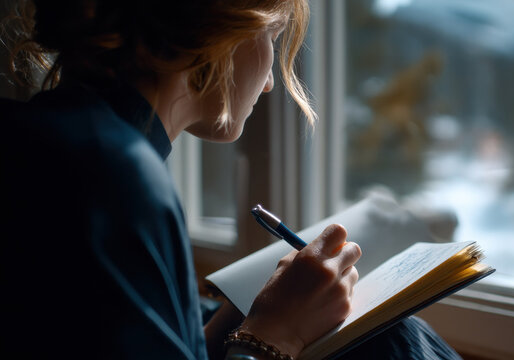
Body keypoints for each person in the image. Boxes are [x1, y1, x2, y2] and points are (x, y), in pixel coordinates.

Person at [0, 1, 463, 359]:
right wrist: (272, 332)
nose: (268, 83)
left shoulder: (48, 138)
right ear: (221, 31)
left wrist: (243, 314)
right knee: (389, 337)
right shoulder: (114, 174)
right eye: (273, 36)